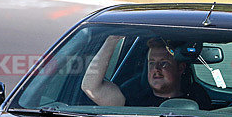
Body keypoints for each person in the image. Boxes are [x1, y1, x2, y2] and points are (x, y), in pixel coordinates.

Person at [81, 35, 211, 108]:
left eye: (164, 63)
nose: (156, 69)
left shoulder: (198, 99)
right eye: (151, 63)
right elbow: (91, 87)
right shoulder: (134, 98)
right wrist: (112, 40)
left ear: (181, 68)